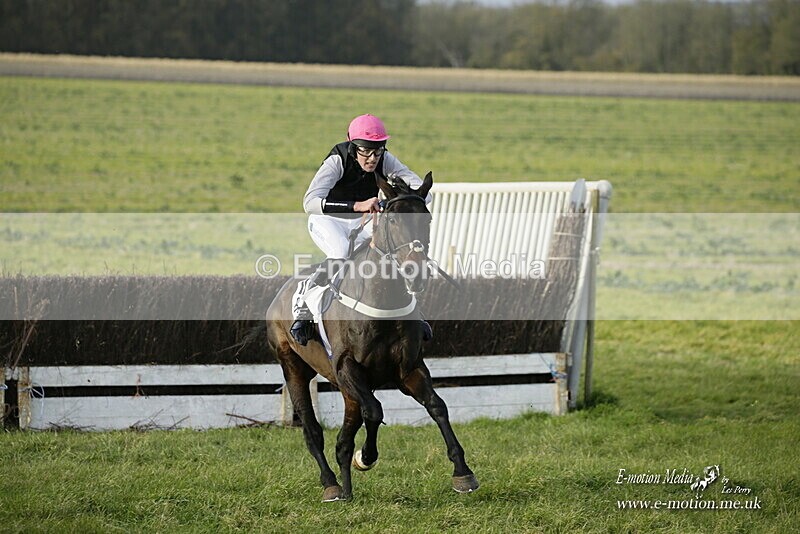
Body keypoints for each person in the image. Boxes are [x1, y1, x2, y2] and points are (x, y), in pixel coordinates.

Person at [290, 114, 433, 345]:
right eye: (365, 151)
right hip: (327, 219)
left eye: (377, 151)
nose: (372, 158)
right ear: (353, 146)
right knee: (341, 252)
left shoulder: (385, 159)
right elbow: (310, 203)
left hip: (361, 222)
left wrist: (395, 200)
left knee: (389, 251)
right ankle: (303, 304)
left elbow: (423, 192)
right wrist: (357, 205)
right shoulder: (337, 160)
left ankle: (412, 309)